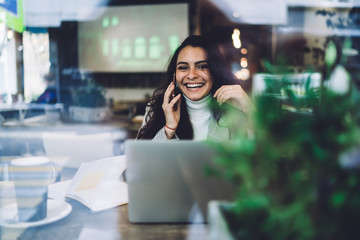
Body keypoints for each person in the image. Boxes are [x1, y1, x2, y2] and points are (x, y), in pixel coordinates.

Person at [136, 35, 253, 141]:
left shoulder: (233, 109)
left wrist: (250, 109)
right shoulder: (157, 109)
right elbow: (140, 161)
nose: (192, 75)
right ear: (174, 75)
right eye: (183, 67)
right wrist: (169, 128)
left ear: (215, 71)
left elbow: (262, 157)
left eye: (202, 66)